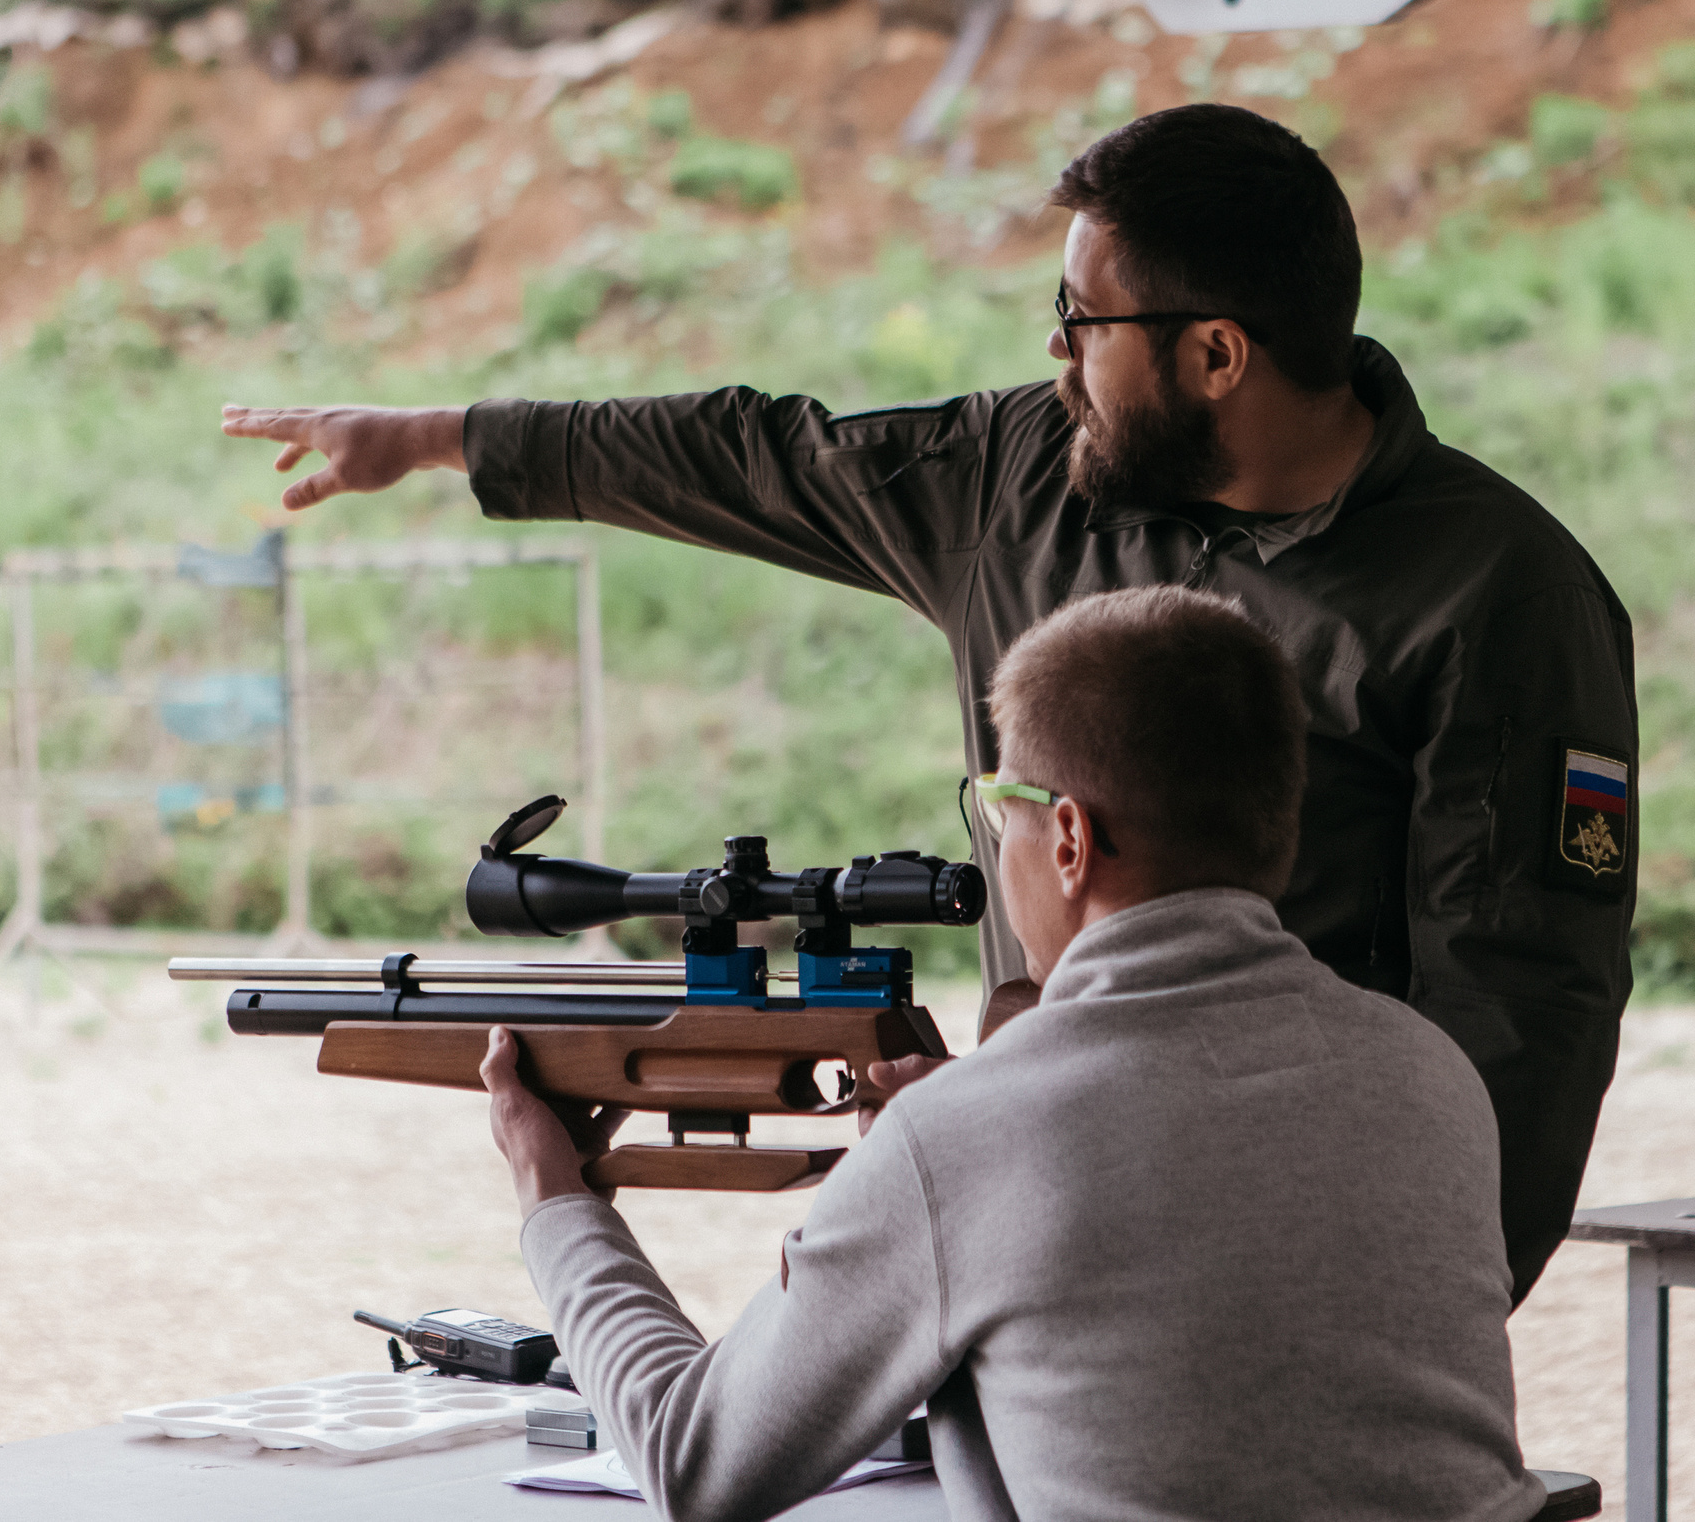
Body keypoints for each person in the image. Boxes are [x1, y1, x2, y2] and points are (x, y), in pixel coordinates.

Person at [222, 102, 1638, 1302]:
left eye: (1085, 321)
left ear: (1218, 354)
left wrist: (1402, 1306)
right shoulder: (1027, 476)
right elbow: (760, 456)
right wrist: (446, 439)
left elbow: (1521, 1014)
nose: (1056, 355)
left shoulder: (1502, 598)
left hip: (1294, 1242)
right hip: (1044, 1208)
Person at [480, 589, 1549, 1522]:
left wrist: (555, 1196)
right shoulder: (1427, 1071)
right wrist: (954, 1163)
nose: (998, 844)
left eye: (1003, 809)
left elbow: (692, 1462)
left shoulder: (971, 1139)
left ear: (1072, 840)